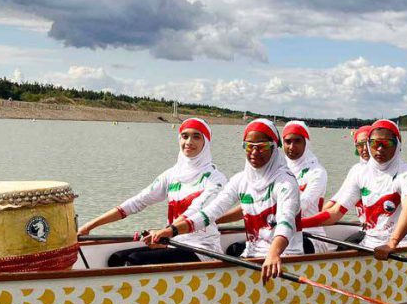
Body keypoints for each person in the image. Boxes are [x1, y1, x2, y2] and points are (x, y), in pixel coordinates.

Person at [145, 118, 301, 283]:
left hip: (284, 256)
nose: (254, 152)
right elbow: (209, 212)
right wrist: (171, 231)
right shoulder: (241, 180)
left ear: (274, 148)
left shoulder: (286, 182)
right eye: (249, 146)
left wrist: (274, 253)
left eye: (261, 147)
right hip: (252, 256)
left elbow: (286, 222)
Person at [77, 118, 227, 266]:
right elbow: (138, 201)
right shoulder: (172, 175)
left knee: (134, 260)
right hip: (173, 242)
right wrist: (89, 226)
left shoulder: (215, 179)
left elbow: (195, 211)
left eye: (196, 137)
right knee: (116, 258)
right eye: (185, 136)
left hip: (203, 249)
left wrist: (165, 231)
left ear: (205, 142)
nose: (189, 142)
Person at [301, 119, 407, 257]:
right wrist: (298, 224)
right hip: (370, 242)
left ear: (398, 144)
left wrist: (392, 243)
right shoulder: (360, 173)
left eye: (387, 143)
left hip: (402, 245)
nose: (380, 149)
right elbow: (336, 212)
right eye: (375, 143)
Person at [280, 120, 331, 253]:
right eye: (288, 141)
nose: (291, 147)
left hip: (311, 236)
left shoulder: (317, 172)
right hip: (279, 231)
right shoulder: (277, 170)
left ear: (306, 143)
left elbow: (303, 203)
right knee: (235, 248)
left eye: (297, 141)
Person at [321, 125, 372, 221]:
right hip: (367, 227)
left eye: (368, 143)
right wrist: (316, 214)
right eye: (360, 145)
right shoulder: (356, 170)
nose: (365, 148)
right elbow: (338, 198)